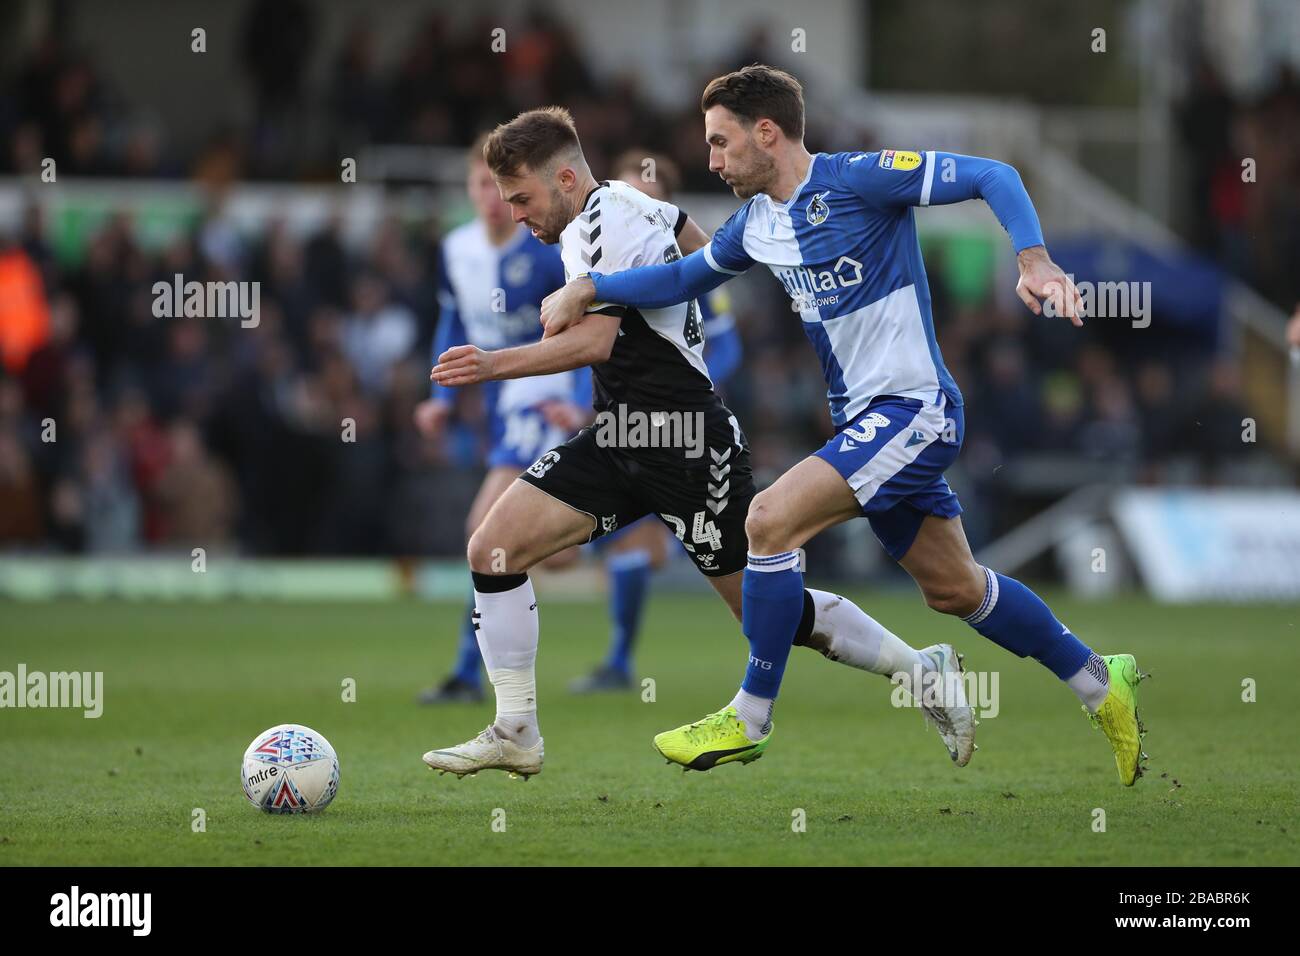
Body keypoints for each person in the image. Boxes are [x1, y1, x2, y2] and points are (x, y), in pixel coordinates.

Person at [541, 65, 1147, 786]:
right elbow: (681, 279)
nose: (712, 160)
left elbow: (995, 174)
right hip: (866, 424)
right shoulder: (755, 226)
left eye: (721, 142)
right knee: (954, 590)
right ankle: (1098, 681)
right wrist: (592, 287)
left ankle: (750, 716)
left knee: (767, 520)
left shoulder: (860, 180)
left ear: (767, 132)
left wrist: (1035, 259)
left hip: (914, 411)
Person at [420, 107, 973, 779]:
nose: (514, 214)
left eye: (522, 199)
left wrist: (490, 365)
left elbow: (597, 339)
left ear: (565, 177)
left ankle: (922, 669)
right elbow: (689, 231)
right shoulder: (607, 212)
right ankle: (516, 731)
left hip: (686, 444)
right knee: (494, 548)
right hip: (620, 433)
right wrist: (697, 312)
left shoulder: (612, 219)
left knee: (771, 614)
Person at [568, 149, 745, 694]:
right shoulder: (598, 252)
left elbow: (727, 345)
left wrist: (688, 384)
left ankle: (622, 658)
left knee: (722, 570)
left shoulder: (684, 269)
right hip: (615, 421)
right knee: (593, 547)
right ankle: (618, 658)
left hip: (677, 423)